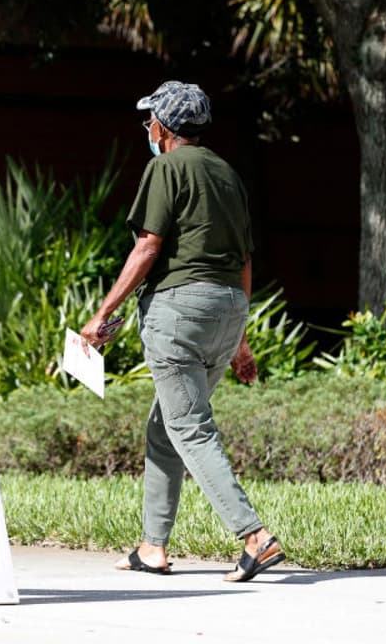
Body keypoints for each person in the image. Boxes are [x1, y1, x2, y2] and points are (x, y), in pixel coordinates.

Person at [79, 81, 284, 583]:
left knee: (189, 428)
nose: (147, 128)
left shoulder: (165, 167)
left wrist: (100, 313)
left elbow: (148, 247)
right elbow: (244, 259)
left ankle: (255, 536)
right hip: (227, 308)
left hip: (180, 310)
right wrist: (239, 338)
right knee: (164, 426)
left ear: (165, 127)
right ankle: (152, 547)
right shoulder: (227, 174)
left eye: (150, 119)